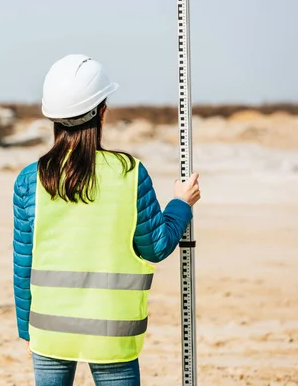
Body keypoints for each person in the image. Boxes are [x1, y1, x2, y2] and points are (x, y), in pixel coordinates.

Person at [12, 54, 201, 386]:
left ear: (52, 116)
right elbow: (156, 246)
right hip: (113, 330)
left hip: (49, 328)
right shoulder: (129, 173)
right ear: (101, 112)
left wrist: (26, 329)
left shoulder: (31, 179)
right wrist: (181, 204)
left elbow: (23, 263)